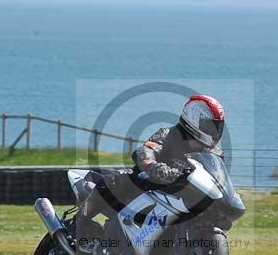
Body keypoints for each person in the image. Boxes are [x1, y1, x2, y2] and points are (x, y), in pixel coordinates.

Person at [71, 94, 226, 244]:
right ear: (193, 119)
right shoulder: (169, 134)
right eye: (211, 125)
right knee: (113, 182)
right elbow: (147, 150)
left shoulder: (214, 153)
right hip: (149, 184)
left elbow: (217, 175)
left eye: (218, 126)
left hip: (182, 195)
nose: (215, 131)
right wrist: (152, 164)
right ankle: (78, 224)